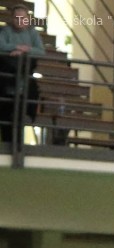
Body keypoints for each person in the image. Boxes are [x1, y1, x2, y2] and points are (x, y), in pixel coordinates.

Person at [0, 4, 45, 145]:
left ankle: (18, 144)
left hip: (25, 78)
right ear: (12, 18)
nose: (19, 21)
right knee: (6, 112)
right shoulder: (5, 31)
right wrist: (16, 47)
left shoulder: (32, 33)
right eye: (16, 18)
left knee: (26, 106)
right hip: (7, 77)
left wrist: (25, 51)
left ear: (28, 19)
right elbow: (1, 45)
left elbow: (41, 51)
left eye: (23, 18)